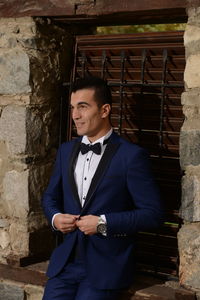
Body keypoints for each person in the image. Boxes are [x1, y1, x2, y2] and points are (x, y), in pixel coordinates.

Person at [41, 76, 163, 300]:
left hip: (106, 267)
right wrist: (56, 217)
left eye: (83, 107)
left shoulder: (131, 156)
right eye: (73, 108)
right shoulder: (66, 151)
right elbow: (49, 197)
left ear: (105, 110)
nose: (75, 115)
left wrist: (102, 223)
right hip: (65, 264)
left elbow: (153, 214)